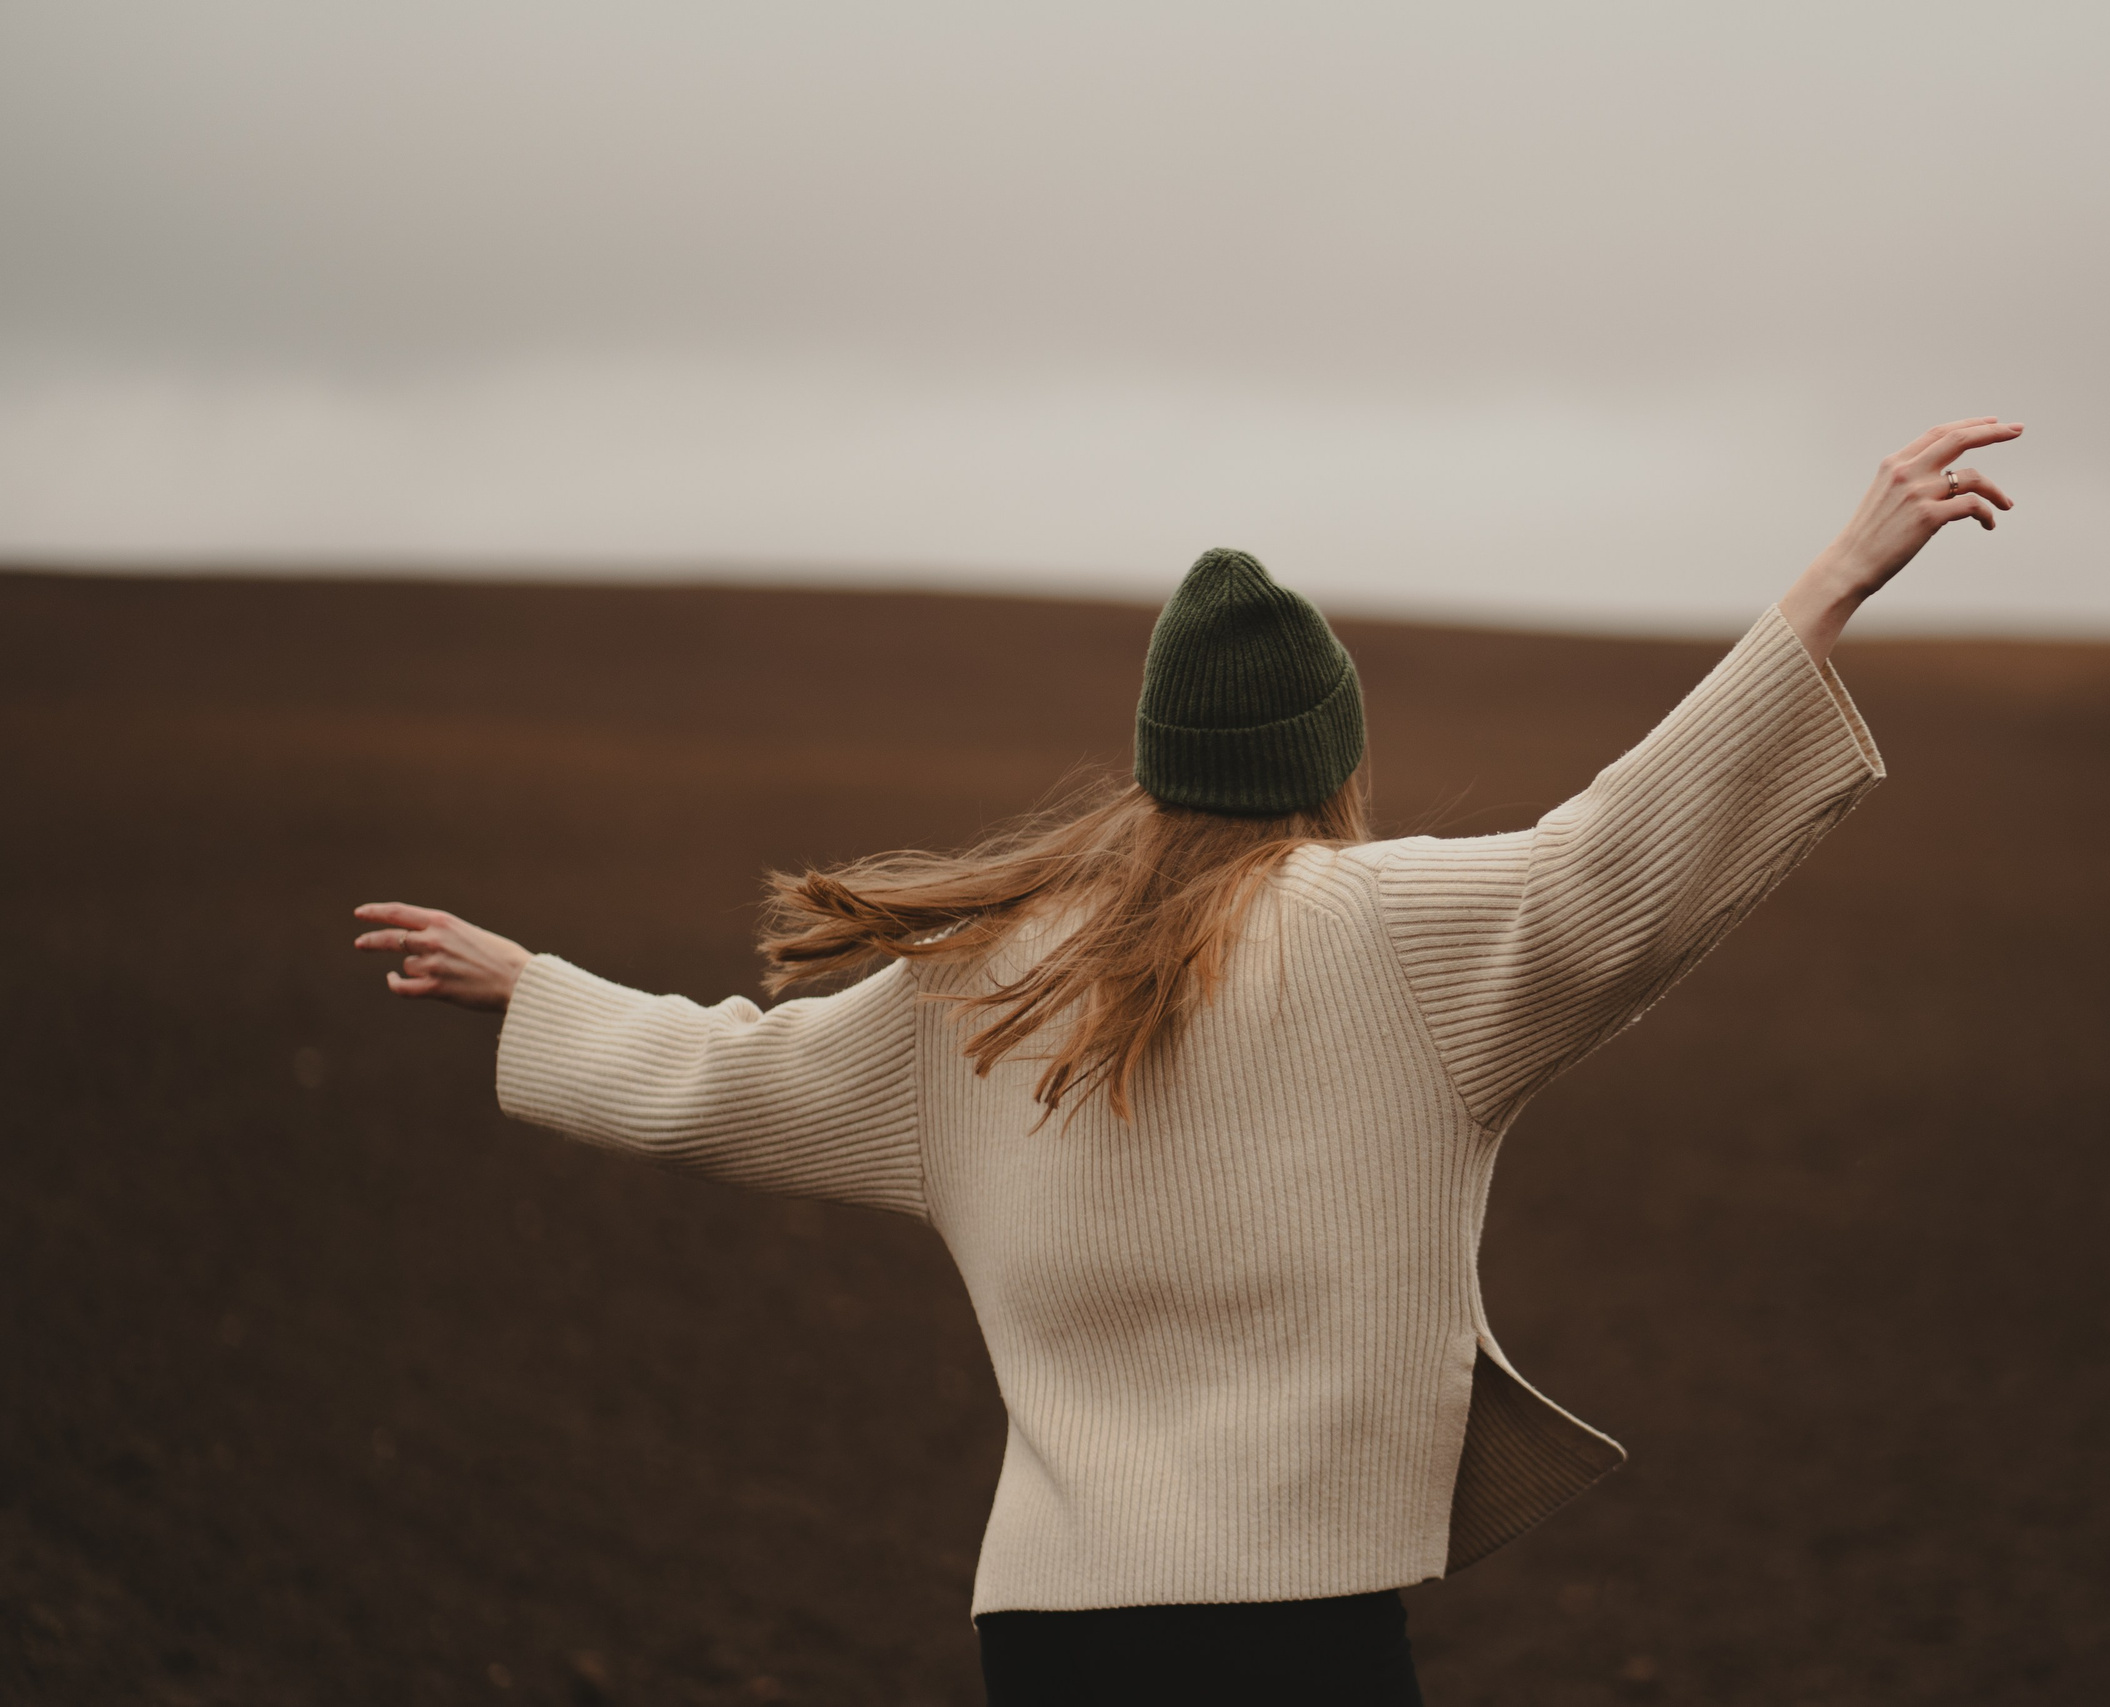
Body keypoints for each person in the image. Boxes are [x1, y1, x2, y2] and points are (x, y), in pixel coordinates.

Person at [355, 418, 2021, 1705]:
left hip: (1054, 1643)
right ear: (1328, 761)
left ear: (1160, 765)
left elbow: (728, 1079)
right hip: (1297, 1642)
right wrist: (1833, 580)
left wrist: (536, 990)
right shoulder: (1395, 937)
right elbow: (1617, 859)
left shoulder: (990, 986)